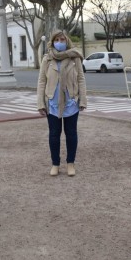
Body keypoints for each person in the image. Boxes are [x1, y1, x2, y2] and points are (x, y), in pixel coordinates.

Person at [37, 30, 87, 177]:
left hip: (71, 102)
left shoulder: (75, 58)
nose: (60, 42)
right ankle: (55, 164)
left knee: (71, 134)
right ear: (52, 42)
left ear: (67, 41)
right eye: (57, 40)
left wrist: (83, 100)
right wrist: (40, 103)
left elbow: (81, 79)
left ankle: (70, 163)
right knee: (54, 135)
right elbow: (41, 82)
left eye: (62, 39)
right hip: (52, 102)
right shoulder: (47, 59)